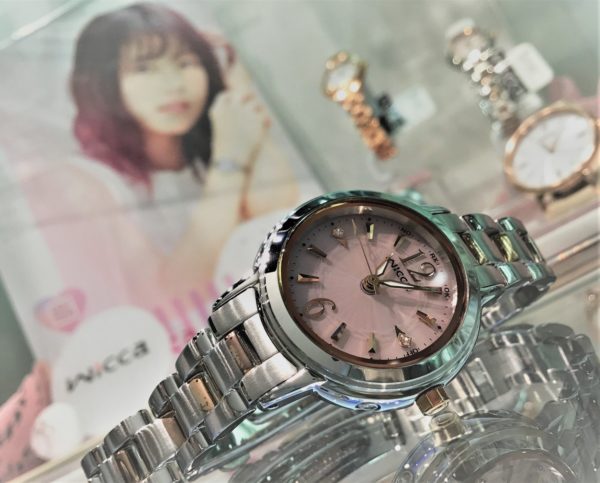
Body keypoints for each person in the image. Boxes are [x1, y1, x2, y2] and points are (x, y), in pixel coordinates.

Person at [22, 2, 299, 346]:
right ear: (102, 83)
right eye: (144, 68)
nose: (173, 84)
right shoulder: (84, 181)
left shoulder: (209, 150)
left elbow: (279, 214)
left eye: (185, 62)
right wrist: (229, 161)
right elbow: (169, 296)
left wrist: (236, 90)